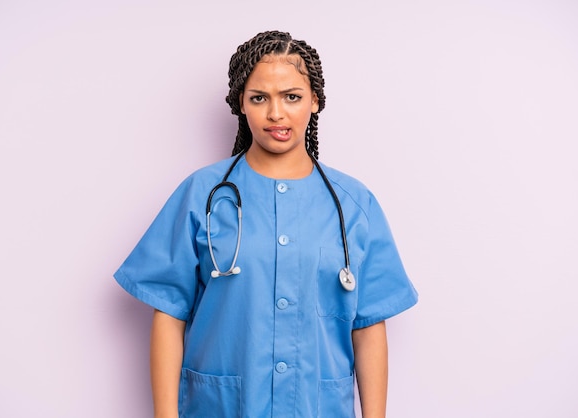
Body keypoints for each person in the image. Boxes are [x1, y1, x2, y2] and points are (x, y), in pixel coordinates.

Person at [114, 30, 418, 418]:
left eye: (292, 96)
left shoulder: (354, 204)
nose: (276, 114)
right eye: (260, 98)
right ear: (241, 104)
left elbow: (369, 325)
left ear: (315, 101)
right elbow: (169, 314)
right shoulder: (203, 194)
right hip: (221, 408)